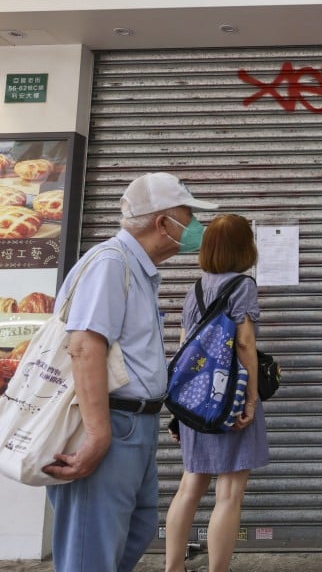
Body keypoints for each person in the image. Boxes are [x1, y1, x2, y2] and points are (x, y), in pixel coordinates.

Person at [41, 172, 219, 572]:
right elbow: (84, 347)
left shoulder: (135, 269)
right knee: (91, 553)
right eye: (188, 217)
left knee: (135, 531)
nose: (194, 228)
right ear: (163, 223)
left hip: (135, 425)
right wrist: (97, 436)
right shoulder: (110, 263)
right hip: (110, 424)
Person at [164, 213, 268, 572]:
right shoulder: (243, 286)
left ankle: (173, 567)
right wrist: (251, 399)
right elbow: (245, 344)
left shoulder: (195, 289)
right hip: (230, 400)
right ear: (245, 248)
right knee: (229, 493)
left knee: (190, 487)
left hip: (194, 402)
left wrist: (180, 409)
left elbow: (183, 350)